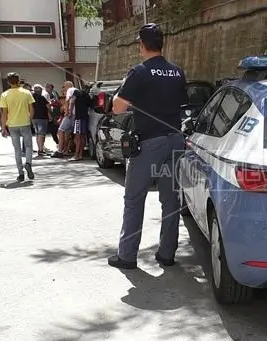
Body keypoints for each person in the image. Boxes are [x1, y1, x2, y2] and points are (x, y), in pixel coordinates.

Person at [108, 23, 188, 269]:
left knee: (134, 199)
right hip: (175, 141)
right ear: (162, 44)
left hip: (149, 143)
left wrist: (121, 94)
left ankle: (128, 256)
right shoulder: (177, 72)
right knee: (171, 200)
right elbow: (182, 104)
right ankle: (167, 254)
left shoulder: (139, 72)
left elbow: (118, 108)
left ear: (141, 44)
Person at [0, 72, 36, 182]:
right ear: (19, 80)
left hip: (12, 124)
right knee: (28, 146)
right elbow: (32, 109)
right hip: (25, 123)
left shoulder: (4, 95)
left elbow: (4, 113)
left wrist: (3, 127)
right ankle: (28, 163)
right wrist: (30, 119)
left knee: (17, 149)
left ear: (8, 82)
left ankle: (20, 173)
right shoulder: (26, 93)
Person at [52, 81, 77, 158]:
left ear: (68, 86)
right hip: (76, 115)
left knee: (61, 130)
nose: (63, 88)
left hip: (70, 115)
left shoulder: (70, 90)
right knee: (67, 133)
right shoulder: (76, 90)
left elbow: (67, 101)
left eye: (64, 86)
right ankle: (65, 150)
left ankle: (60, 150)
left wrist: (67, 111)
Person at [68, 88, 90, 161]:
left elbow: (72, 102)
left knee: (78, 137)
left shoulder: (76, 92)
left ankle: (76, 155)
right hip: (85, 117)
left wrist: (70, 112)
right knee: (83, 137)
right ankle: (80, 155)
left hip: (79, 117)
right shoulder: (87, 96)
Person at [31, 84, 51, 156]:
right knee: (41, 134)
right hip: (42, 117)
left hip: (34, 118)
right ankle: (41, 150)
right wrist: (50, 114)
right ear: (41, 90)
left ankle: (40, 148)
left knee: (37, 134)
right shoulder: (42, 97)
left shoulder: (31, 98)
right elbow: (48, 106)